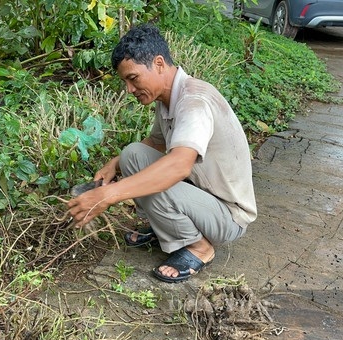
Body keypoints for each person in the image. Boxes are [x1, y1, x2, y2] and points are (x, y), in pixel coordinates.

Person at [66, 23, 257, 283]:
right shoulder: (169, 98)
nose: (129, 90)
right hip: (201, 196)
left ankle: (200, 248)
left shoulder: (193, 103)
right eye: (125, 82)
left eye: (133, 79)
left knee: (159, 182)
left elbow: (178, 167)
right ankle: (167, 228)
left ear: (158, 64)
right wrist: (115, 164)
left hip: (228, 216)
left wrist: (106, 195)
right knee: (132, 154)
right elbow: (155, 143)